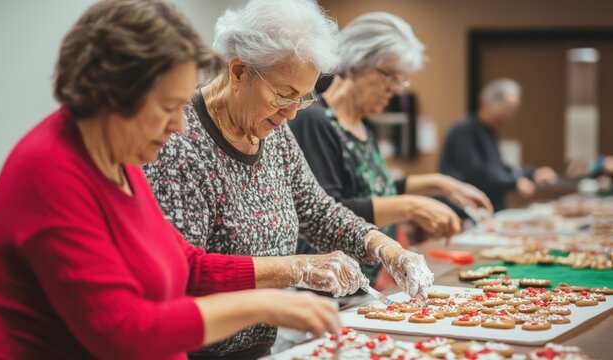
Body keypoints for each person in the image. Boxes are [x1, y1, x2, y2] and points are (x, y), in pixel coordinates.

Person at [0, 1, 344, 359]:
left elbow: (188, 265)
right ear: (116, 97)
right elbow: (121, 331)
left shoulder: (118, 159)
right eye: (168, 108)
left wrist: (292, 271)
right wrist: (261, 304)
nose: (180, 125)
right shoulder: (48, 174)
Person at [143, 0, 434, 358]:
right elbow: (183, 272)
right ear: (238, 71)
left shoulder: (273, 131)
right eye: (284, 94)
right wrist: (297, 268)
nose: (293, 112)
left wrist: (386, 248)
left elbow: (318, 210)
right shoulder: (179, 140)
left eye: (304, 97)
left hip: (261, 347)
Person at [289, 12, 493, 287]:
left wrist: (440, 184)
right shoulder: (315, 122)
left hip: (364, 287)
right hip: (327, 290)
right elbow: (330, 211)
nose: (397, 90)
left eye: (401, 80)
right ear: (357, 63)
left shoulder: (363, 127)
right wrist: (411, 206)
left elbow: (375, 189)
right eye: (391, 77)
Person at [440, 78, 558, 211]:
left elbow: (499, 169)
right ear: (488, 102)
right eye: (509, 109)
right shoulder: (464, 131)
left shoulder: (489, 131)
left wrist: (532, 173)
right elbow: (478, 175)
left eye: (514, 110)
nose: (511, 115)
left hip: (487, 209)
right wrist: (514, 183)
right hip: (466, 210)